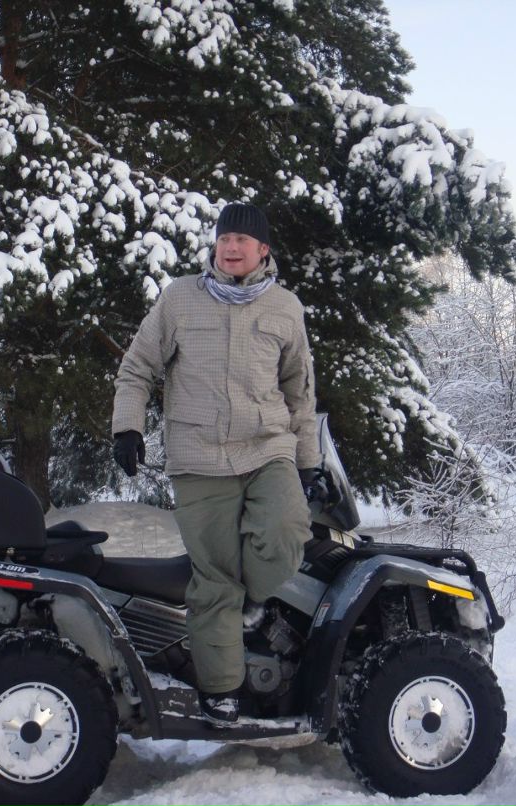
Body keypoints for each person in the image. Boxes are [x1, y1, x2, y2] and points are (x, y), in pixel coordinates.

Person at [111, 202, 321, 725]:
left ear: (263, 250)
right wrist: (127, 427)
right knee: (214, 577)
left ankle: (249, 601)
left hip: (267, 447)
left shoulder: (286, 308)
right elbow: (137, 367)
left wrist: (308, 461)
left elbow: (299, 392)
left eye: (241, 240)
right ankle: (221, 689)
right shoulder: (180, 298)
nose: (230, 247)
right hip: (198, 457)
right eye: (224, 238)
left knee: (286, 530)